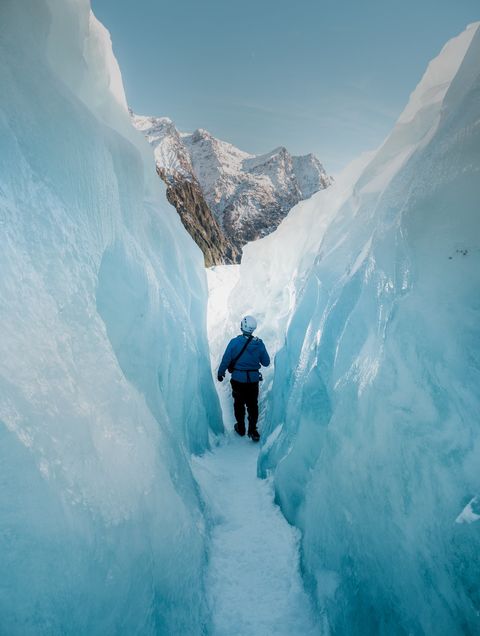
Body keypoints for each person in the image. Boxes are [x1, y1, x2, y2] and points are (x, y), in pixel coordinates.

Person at [217, 315, 270, 442]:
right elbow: (266, 362)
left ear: (243, 326)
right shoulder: (259, 344)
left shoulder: (234, 342)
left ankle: (241, 427)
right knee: (253, 405)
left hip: (238, 380)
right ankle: (253, 430)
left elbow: (226, 359)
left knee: (239, 403)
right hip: (253, 380)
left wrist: (221, 372)